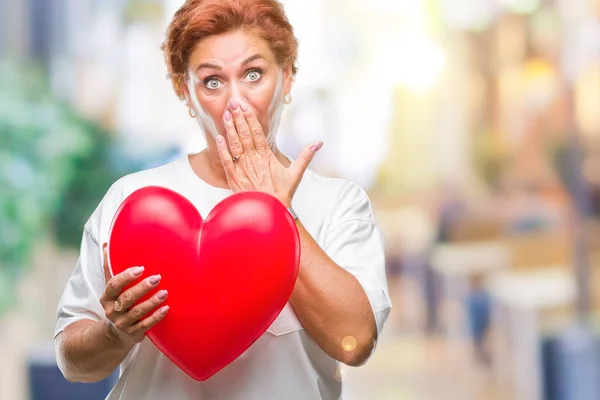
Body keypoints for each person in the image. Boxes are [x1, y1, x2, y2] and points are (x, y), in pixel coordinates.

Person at [53, 1, 392, 399]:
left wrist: (277, 213)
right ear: (185, 90)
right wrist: (115, 333)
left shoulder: (339, 203)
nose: (237, 102)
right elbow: (72, 362)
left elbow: (355, 342)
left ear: (286, 78)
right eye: (212, 81)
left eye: (254, 74)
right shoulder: (132, 202)